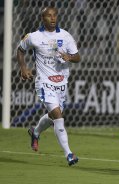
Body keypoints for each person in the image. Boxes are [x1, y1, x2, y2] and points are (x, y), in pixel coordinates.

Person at [17, 6, 80, 166]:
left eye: (54, 15)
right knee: (58, 116)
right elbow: (20, 49)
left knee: (53, 116)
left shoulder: (65, 36)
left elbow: (78, 57)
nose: (52, 18)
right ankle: (69, 154)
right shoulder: (34, 37)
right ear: (42, 18)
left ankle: (35, 131)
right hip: (44, 83)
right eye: (48, 16)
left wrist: (69, 57)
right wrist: (23, 68)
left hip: (62, 83)